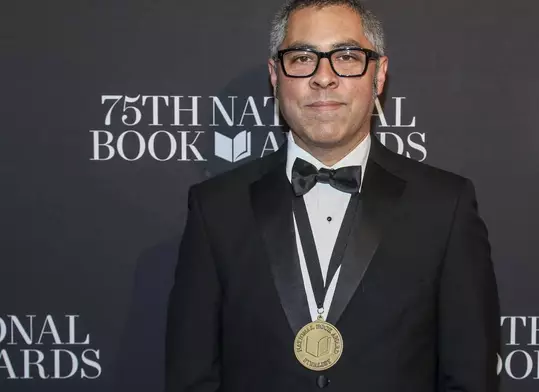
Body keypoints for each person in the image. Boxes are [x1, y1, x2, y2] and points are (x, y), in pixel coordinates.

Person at [165, 0, 501, 391]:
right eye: (303, 57)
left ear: (378, 75)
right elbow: (192, 376)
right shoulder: (216, 208)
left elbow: (470, 376)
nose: (324, 77)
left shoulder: (446, 205)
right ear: (276, 75)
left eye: (345, 56)